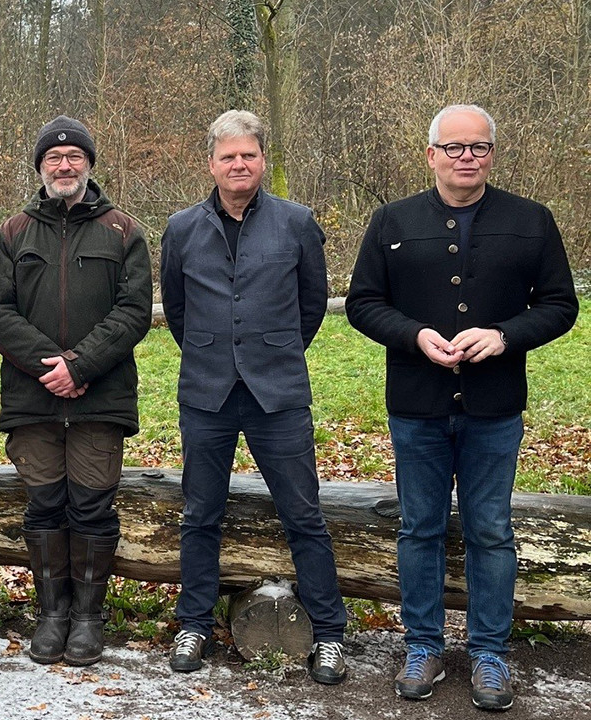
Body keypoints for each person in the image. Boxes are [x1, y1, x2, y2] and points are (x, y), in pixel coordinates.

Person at [346, 104, 578, 711]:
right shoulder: (392, 220)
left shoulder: (531, 221)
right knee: (419, 528)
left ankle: (489, 654)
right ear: (431, 154)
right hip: (417, 404)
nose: (466, 156)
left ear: (491, 154)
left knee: (491, 531)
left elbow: (560, 305)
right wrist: (415, 334)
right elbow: (364, 302)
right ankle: (422, 645)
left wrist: (504, 335)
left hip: (495, 406)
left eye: (478, 146)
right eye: (453, 147)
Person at [160, 110, 348, 684]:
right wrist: (216, 351)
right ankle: (193, 622)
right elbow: (177, 308)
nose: (238, 165)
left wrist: (272, 350)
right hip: (207, 393)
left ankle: (330, 633)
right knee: (200, 515)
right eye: (227, 156)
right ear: (211, 163)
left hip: (278, 392)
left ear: (263, 160)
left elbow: (311, 304)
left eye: (248, 155)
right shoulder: (182, 228)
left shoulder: (296, 222)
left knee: (304, 515)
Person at [0, 115, 153, 666]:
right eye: (53, 158)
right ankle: (51, 615)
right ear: (39, 167)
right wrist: (46, 366)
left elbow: (133, 312)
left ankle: (88, 618)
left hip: (100, 397)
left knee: (92, 507)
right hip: (32, 399)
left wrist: (80, 366)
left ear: (89, 165)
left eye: (74, 156)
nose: (64, 165)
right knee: (44, 506)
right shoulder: (11, 233)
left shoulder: (124, 232)